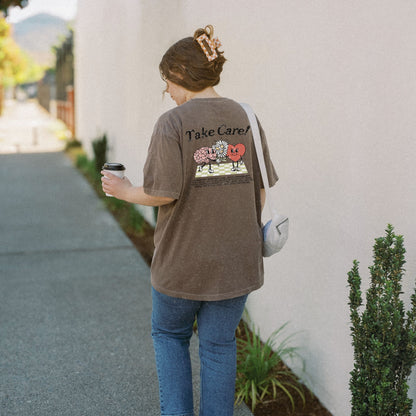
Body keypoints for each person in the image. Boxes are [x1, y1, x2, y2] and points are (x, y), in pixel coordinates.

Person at [101, 25, 278, 416]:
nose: (167, 91)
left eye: (167, 82)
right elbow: (260, 192)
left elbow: (163, 192)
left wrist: (124, 189)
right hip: (236, 263)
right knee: (218, 347)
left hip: (181, 264)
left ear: (181, 75)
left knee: (169, 336)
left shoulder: (173, 122)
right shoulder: (245, 115)